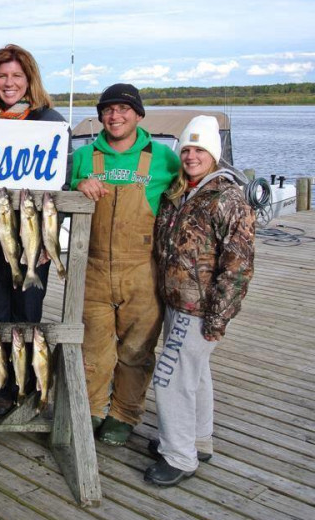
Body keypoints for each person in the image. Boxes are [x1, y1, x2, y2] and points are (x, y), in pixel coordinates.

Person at [145, 115, 255, 486]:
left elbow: (238, 266)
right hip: (176, 300)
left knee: (169, 378)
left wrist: (218, 317)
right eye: (187, 149)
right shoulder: (181, 190)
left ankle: (178, 456)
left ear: (214, 154)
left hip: (200, 308)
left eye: (200, 150)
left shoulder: (227, 196)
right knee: (196, 375)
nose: (191, 156)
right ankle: (197, 439)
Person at [71, 83, 180, 445]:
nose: (115, 117)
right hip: (94, 268)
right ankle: (92, 408)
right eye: (108, 110)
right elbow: (60, 194)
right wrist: (79, 184)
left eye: (123, 110)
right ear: (100, 115)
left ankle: (124, 414)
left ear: (138, 115)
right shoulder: (85, 156)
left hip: (142, 272)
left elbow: (190, 193)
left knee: (136, 351)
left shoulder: (164, 158)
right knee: (94, 348)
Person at [0, 44, 73, 414]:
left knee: (27, 314)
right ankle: (1, 386)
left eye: (16, 75)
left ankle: (27, 382)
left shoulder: (50, 121)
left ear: (30, 79)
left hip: (33, 239)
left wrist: (51, 238)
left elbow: (63, 187)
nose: (9, 82)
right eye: (1, 76)